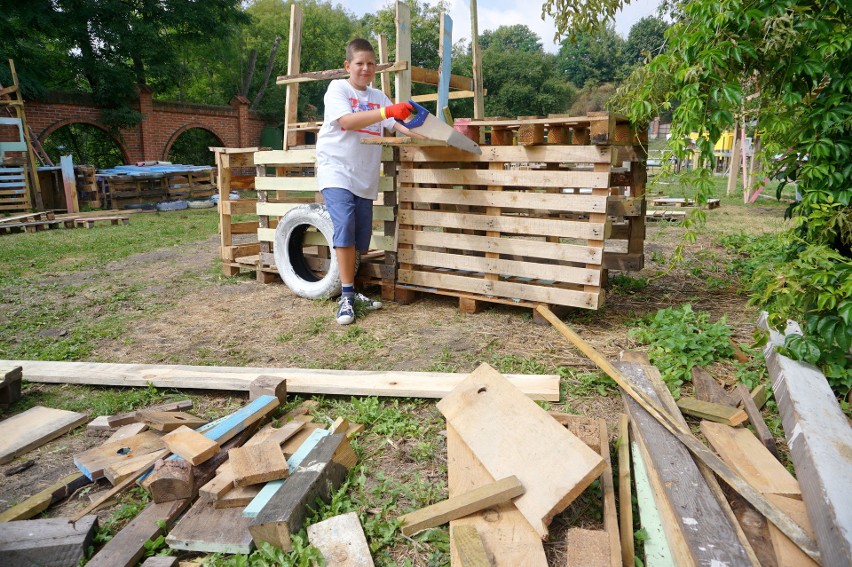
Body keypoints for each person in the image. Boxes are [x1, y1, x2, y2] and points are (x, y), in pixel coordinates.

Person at [316, 38, 415, 325]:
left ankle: (353, 291)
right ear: (348, 66)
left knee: (360, 237)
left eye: (371, 63)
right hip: (336, 170)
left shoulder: (379, 96)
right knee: (344, 226)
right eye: (359, 63)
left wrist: (431, 134)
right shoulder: (339, 89)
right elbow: (347, 122)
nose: (366, 68)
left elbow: (397, 126)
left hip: (364, 174)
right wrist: (388, 112)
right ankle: (346, 297)